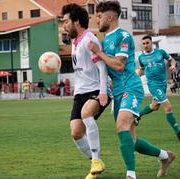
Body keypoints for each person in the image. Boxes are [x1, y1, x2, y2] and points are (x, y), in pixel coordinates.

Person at [88, 1, 175, 178]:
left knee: (121, 125)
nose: (97, 20)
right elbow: (104, 67)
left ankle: (131, 174)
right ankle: (165, 156)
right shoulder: (104, 41)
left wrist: (99, 52)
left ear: (110, 17)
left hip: (131, 86)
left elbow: (119, 65)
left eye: (99, 16)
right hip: (118, 92)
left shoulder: (123, 36)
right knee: (130, 141)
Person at [62, 4, 111, 179]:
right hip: (80, 93)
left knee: (86, 114)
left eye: (66, 21)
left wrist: (104, 92)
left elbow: (102, 67)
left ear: (76, 22)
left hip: (97, 89)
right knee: (76, 133)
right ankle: (95, 161)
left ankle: (96, 162)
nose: (64, 25)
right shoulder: (75, 42)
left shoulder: (89, 39)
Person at [136, 35, 180, 141]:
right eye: (144, 44)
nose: (145, 45)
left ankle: (138, 115)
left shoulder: (160, 52)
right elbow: (142, 70)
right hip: (153, 85)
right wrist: (135, 75)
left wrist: (173, 65)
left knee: (155, 106)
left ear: (151, 43)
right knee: (168, 107)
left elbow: (172, 60)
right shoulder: (141, 57)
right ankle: (178, 133)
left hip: (163, 84)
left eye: (147, 43)